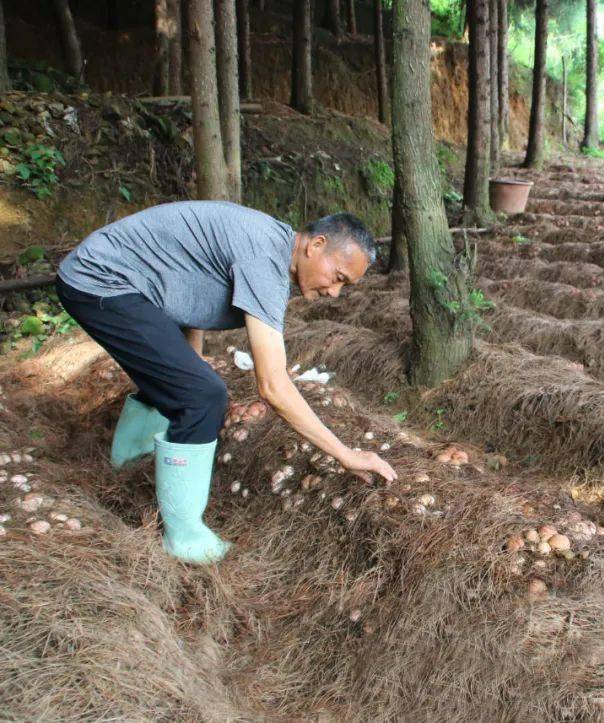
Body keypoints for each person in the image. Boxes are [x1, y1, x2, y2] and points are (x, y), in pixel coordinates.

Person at [56, 201, 397, 565]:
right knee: (204, 396)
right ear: (316, 246)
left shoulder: (270, 245)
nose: (335, 293)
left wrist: (192, 358)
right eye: (339, 277)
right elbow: (273, 386)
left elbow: (190, 283)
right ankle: (184, 538)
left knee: (186, 378)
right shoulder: (265, 261)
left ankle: (129, 461)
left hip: (115, 279)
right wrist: (346, 454)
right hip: (102, 280)